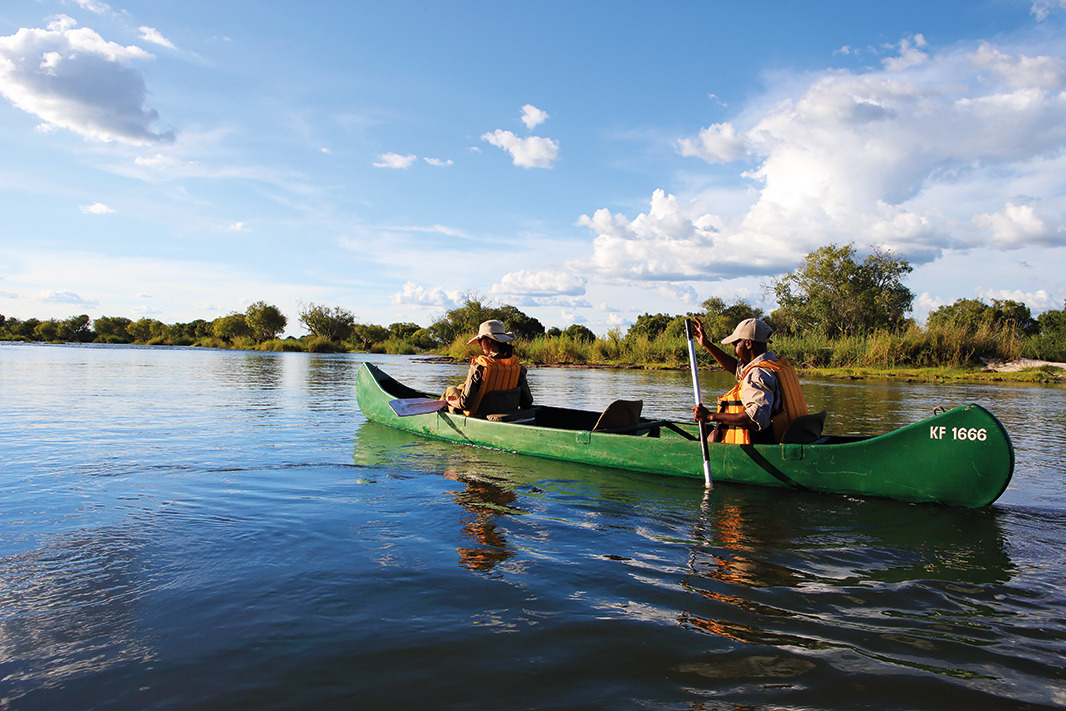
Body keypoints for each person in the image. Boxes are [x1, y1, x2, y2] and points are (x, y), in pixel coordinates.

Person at [690, 317, 807, 444]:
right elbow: (736, 368)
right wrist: (706, 344)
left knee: (710, 437)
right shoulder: (774, 365)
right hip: (790, 437)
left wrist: (710, 416)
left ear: (748, 343)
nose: (735, 352)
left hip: (764, 445)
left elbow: (755, 419)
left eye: (736, 345)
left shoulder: (758, 374)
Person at [442, 320, 534, 417]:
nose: (480, 344)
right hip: (508, 415)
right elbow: (527, 402)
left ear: (489, 340)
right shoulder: (518, 368)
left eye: (480, 341)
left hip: (477, 415)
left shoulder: (479, 367)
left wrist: (449, 401)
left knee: (451, 389)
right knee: (461, 387)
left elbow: (465, 404)